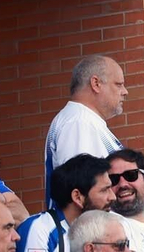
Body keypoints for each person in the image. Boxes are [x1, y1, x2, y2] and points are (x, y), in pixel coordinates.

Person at [44, 57, 126, 185]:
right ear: (96, 84)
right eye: (119, 84)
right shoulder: (79, 123)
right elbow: (84, 189)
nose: (125, 92)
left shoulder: (82, 120)